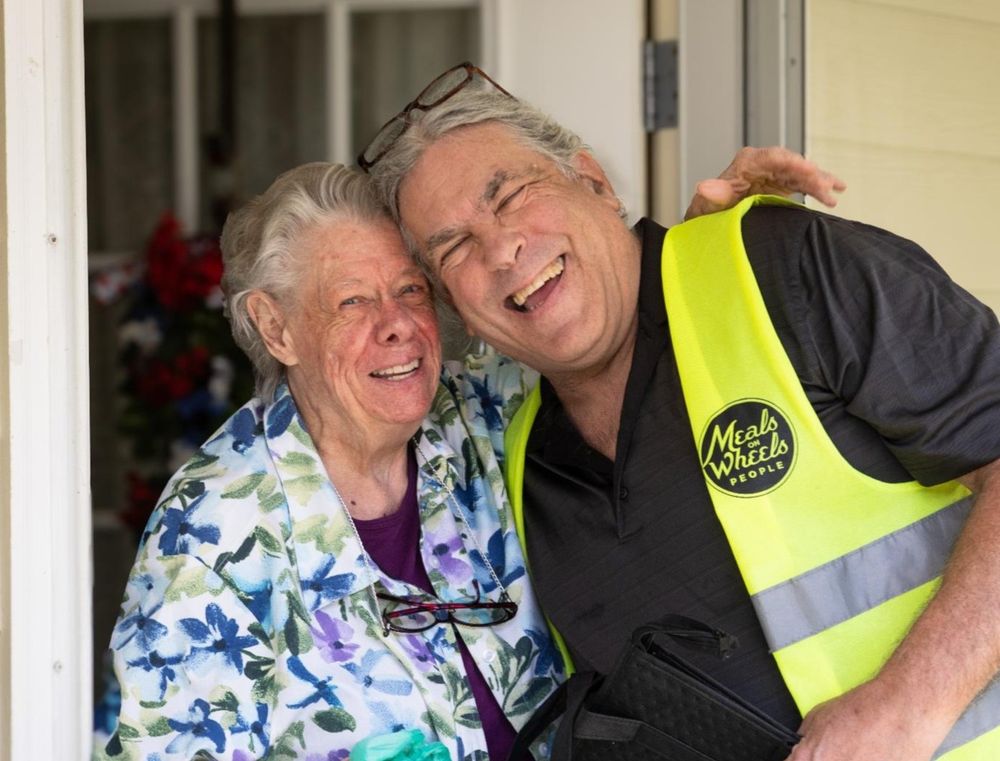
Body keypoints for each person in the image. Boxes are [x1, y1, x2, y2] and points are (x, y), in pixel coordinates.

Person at [365, 63, 1000, 760]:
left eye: (511, 194)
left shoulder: (784, 272)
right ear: (458, 309)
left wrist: (906, 705)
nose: (502, 248)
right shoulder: (521, 466)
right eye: (453, 246)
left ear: (595, 183)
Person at [98, 155, 828, 760]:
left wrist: (690, 243)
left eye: (410, 290)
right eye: (352, 302)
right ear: (276, 327)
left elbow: (606, 337)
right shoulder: (214, 527)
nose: (397, 327)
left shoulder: (477, 413)